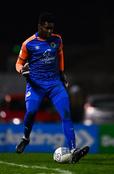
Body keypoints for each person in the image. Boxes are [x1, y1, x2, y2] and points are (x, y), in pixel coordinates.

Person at [15, 12, 89, 163]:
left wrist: (61, 74)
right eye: (47, 28)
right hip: (35, 85)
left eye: (52, 28)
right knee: (31, 112)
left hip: (55, 84)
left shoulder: (57, 39)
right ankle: (25, 138)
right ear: (40, 26)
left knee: (66, 113)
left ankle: (74, 150)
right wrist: (21, 70)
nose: (49, 31)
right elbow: (19, 63)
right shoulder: (28, 43)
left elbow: (60, 56)